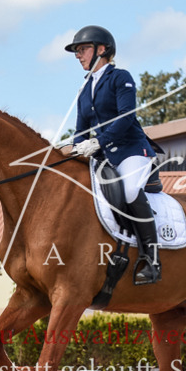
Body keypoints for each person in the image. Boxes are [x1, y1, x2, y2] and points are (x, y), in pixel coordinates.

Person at [66, 25, 161, 284]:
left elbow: (126, 117)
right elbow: (80, 130)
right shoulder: (85, 89)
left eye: (82, 49)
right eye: (76, 51)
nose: (78, 55)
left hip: (132, 150)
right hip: (103, 157)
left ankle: (152, 259)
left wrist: (98, 142)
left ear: (102, 49)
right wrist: (76, 150)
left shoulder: (120, 77)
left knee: (130, 191)